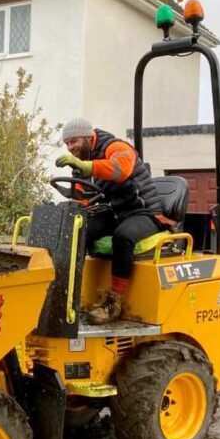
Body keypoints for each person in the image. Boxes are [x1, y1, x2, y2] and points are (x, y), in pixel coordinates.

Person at [55, 117, 172, 324]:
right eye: (67, 143)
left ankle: (113, 303)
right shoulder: (83, 163)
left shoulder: (115, 147)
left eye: (73, 141)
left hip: (144, 212)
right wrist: (72, 203)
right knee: (80, 229)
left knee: (123, 237)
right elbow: (84, 197)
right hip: (115, 211)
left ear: (88, 137)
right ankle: (68, 293)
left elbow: (120, 169)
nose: (70, 147)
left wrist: (86, 166)